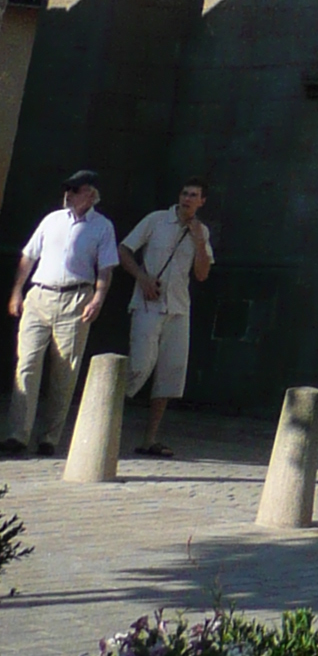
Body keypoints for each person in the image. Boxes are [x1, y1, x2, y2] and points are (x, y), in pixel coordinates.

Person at [2, 170, 119, 456]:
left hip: (76, 297)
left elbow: (105, 268)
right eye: (67, 189)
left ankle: (49, 437)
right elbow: (28, 256)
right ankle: (18, 434)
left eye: (75, 190)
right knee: (27, 364)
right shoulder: (51, 220)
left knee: (64, 371)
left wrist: (99, 298)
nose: (68, 194)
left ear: (90, 195)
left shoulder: (102, 227)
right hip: (40, 295)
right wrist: (17, 291)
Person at [117, 182, 213, 459]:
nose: (187, 199)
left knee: (170, 374)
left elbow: (203, 274)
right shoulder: (156, 220)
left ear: (201, 201)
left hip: (179, 309)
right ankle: (104, 417)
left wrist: (198, 241)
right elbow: (124, 249)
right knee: (139, 365)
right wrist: (142, 278)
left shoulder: (201, 231)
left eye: (193, 195)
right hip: (148, 303)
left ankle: (150, 439)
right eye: (184, 193)